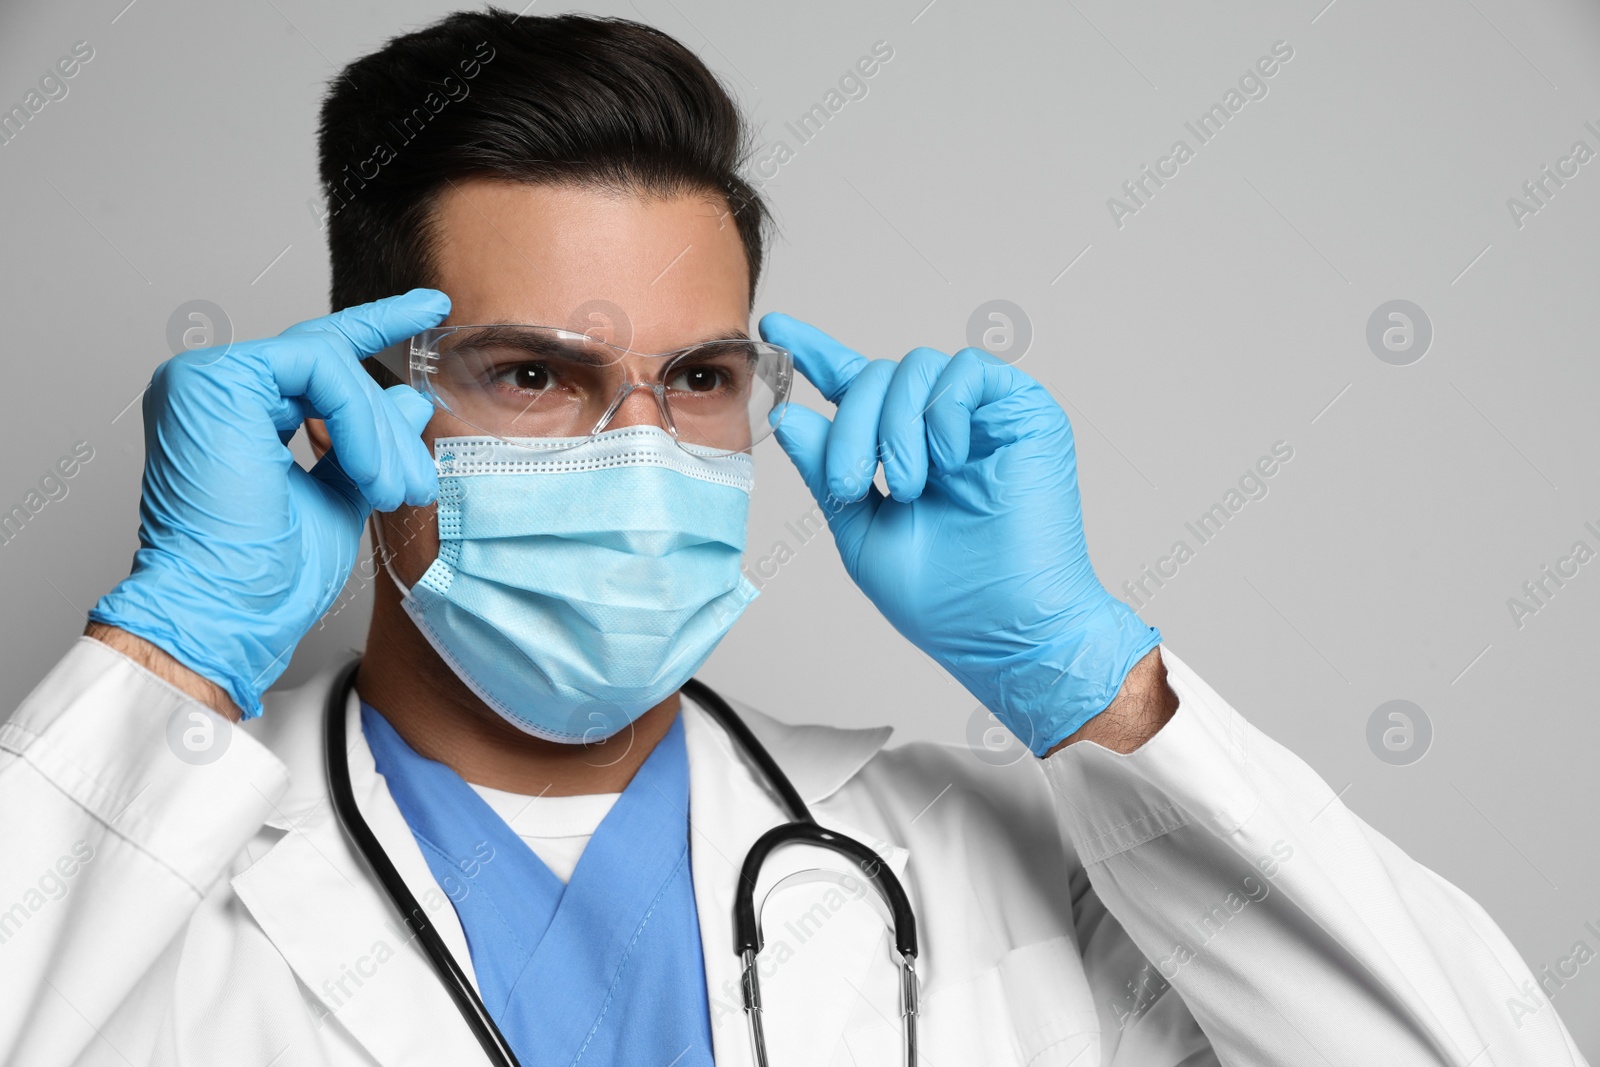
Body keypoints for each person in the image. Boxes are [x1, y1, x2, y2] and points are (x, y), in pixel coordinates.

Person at [0, 9, 1585, 1066]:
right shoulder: (140, 875)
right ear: (360, 394)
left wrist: (1084, 679)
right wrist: (175, 642)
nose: (639, 452)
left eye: (696, 379)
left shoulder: (979, 866)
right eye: (536, 374)